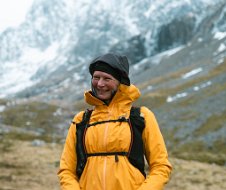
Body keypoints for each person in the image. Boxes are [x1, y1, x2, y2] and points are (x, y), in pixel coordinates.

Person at [58, 52, 172, 190]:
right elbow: (66, 170)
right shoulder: (81, 120)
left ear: (121, 82)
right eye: (96, 77)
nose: (100, 84)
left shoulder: (141, 116)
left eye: (107, 78)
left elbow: (161, 167)